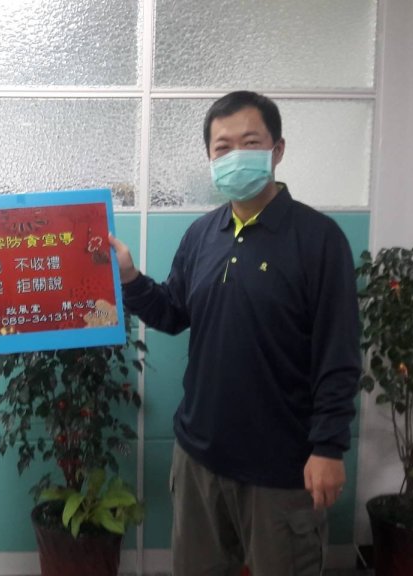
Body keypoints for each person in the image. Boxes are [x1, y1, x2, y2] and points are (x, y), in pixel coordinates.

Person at [109, 91, 360, 576]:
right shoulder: (202, 235)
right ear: (209, 157)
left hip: (282, 467)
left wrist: (329, 448)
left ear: (277, 150)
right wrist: (130, 279)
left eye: (250, 142)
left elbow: (339, 353)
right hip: (198, 456)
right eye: (222, 147)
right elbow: (173, 313)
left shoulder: (319, 239)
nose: (235, 155)